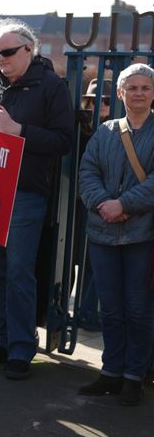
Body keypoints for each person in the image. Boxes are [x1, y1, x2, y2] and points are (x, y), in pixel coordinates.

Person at [0, 18, 74, 380]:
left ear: (30, 50)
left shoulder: (52, 87)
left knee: (21, 272)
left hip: (25, 193)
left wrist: (19, 131)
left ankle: (23, 348)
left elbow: (63, 141)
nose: (1, 59)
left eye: (8, 52)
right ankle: (2, 339)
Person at [76, 63, 154, 406]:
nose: (138, 93)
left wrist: (123, 204)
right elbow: (86, 173)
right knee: (110, 309)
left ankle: (134, 377)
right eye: (131, 87)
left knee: (138, 309)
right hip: (103, 233)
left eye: (145, 87)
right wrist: (104, 205)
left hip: (142, 235)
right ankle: (110, 372)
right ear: (120, 94)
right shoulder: (105, 132)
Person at [73, 77, 112, 332]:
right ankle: (81, 311)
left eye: (108, 101)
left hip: (107, 204)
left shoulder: (117, 129)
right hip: (80, 203)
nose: (102, 106)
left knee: (94, 261)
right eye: (97, 100)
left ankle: (87, 311)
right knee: (80, 260)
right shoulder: (81, 128)